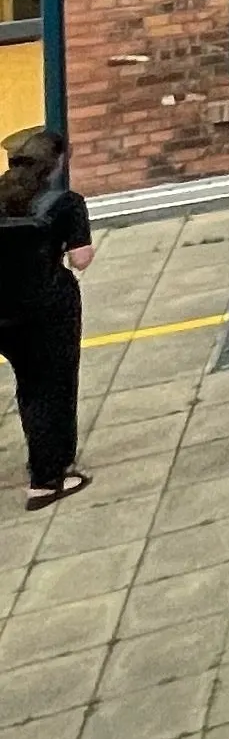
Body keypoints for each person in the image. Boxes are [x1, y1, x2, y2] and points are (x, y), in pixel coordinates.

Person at [1, 124, 92, 511]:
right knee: (51, 389)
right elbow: (81, 258)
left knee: (27, 382)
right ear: (54, 165)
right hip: (47, 308)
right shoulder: (66, 203)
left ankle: (49, 465)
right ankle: (48, 477)